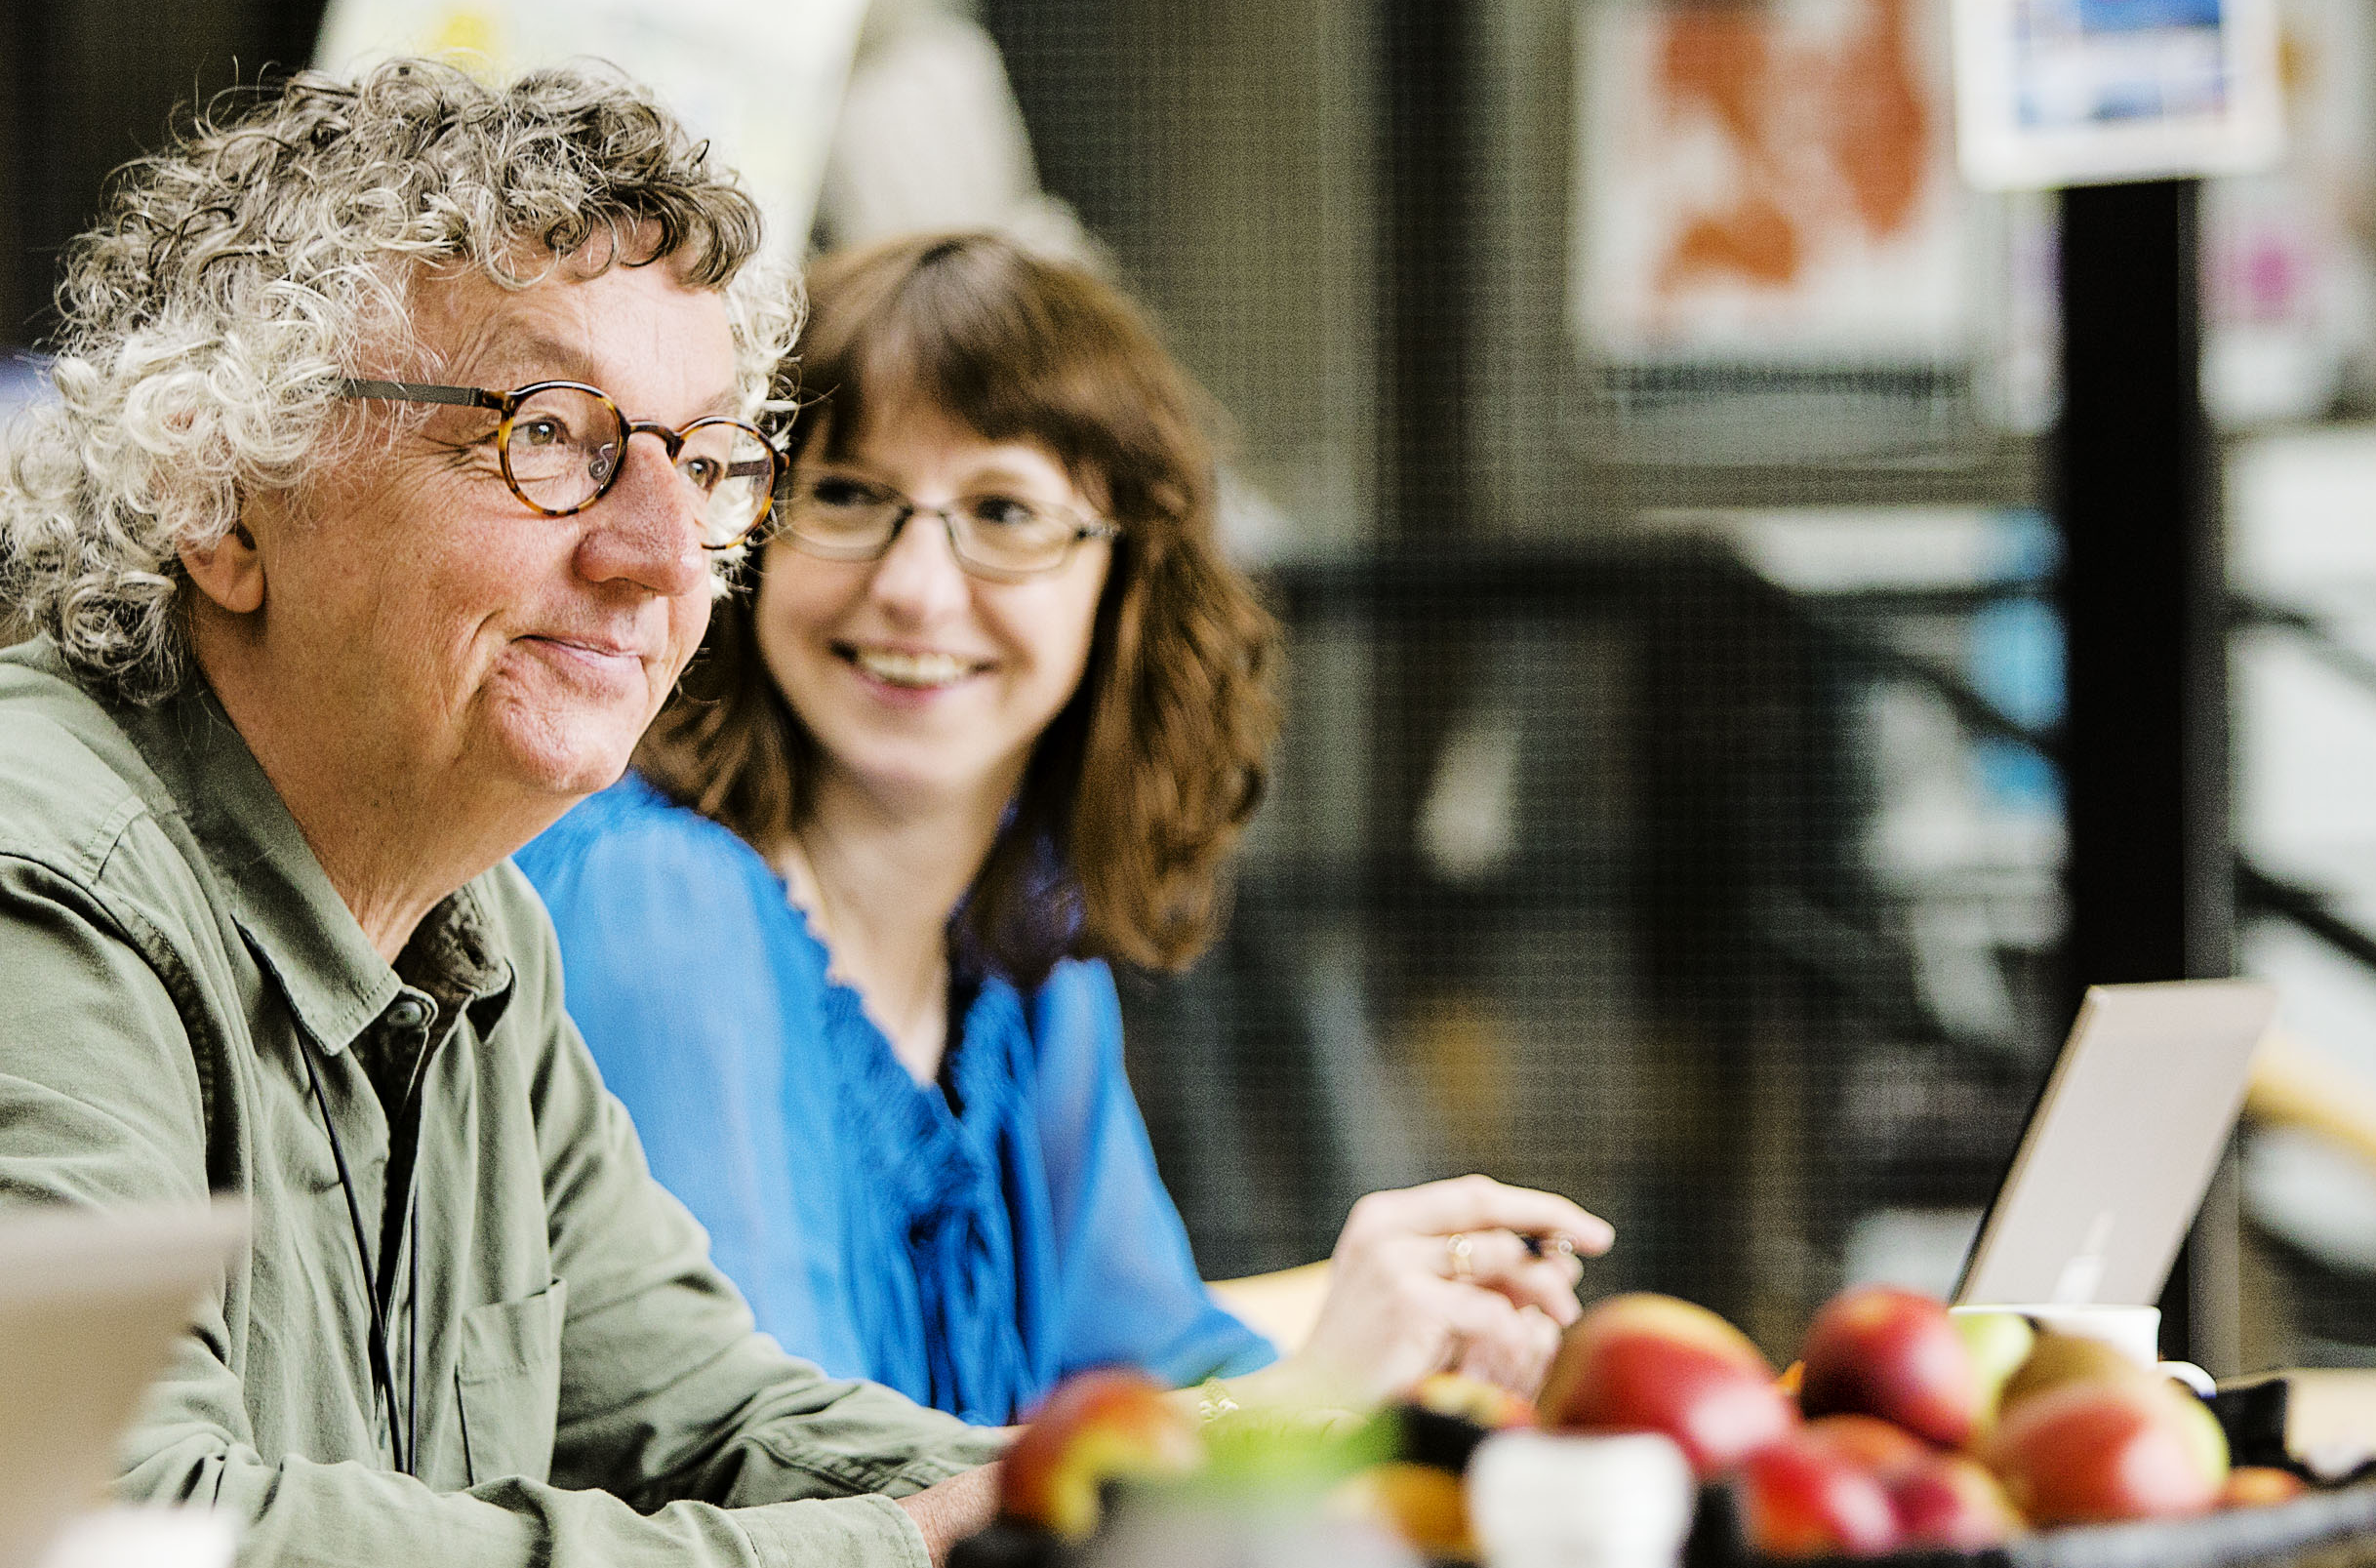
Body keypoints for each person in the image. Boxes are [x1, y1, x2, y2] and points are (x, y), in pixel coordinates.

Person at [0, 62, 1026, 1568]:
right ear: (221, 501)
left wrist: (1119, 1523)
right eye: (548, 440)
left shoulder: (473, 934)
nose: (662, 555)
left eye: (708, 461)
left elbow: (705, 1423)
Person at [517, 230, 1607, 1420]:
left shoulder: (1021, 949)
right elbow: (792, 1490)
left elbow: (1148, 1369)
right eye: (844, 495)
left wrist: (1420, 1336)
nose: (917, 588)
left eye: (1003, 510)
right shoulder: (658, 906)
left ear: (1124, 581)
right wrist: (1312, 1397)